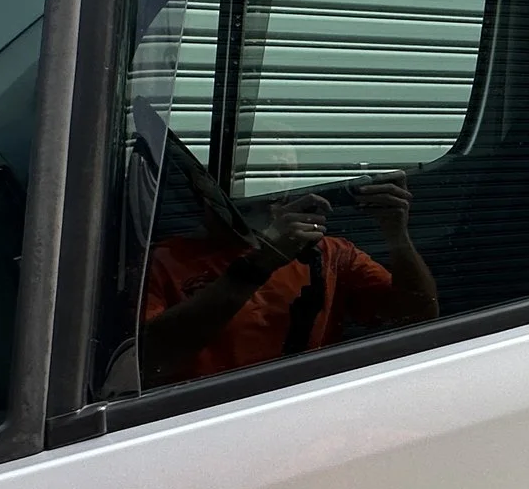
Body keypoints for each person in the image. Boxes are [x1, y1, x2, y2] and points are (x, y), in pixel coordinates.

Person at [138, 150, 439, 387]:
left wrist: (396, 235)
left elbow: (416, 316)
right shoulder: (164, 260)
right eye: (261, 175)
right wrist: (261, 262)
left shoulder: (329, 254)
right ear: (208, 185)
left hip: (299, 410)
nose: (278, 188)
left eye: (288, 176)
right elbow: (148, 359)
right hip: (197, 418)